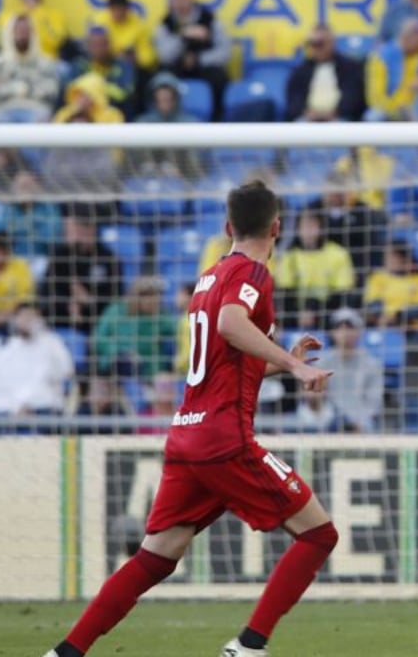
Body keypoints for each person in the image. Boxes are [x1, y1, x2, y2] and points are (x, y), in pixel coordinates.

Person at [42, 181, 335, 657]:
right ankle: (249, 647)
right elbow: (230, 325)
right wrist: (295, 365)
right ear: (277, 228)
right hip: (225, 437)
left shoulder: (209, 277)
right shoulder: (254, 272)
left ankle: (65, 652)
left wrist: (283, 361)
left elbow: (226, 359)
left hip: (187, 435)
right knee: (319, 534)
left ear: (227, 226)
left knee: (156, 557)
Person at [155, 0, 231, 121]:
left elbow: (224, 52)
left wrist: (199, 59)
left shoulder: (209, 19)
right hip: (177, 68)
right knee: (161, 79)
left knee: (219, 78)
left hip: (204, 67)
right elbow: (164, 55)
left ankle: (217, 122)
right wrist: (182, 36)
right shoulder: (166, 23)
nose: (180, 0)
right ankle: (164, 121)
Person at [0, 303, 72, 420]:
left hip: (44, 409)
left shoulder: (52, 343)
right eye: (23, 316)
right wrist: (16, 407)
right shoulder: (5, 350)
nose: (27, 321)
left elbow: (66, 371)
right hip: (11, 412)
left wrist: (45, 336)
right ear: (15, 320)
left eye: (31, 316)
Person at [365, 18, 418, 122]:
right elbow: (375, 96)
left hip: (417, 108)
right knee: (374, 115)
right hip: (390, 109)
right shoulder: (382, 56)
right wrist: (394, 112)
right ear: (406, 38)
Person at [0, 14, 60, 123]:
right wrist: (18, 89)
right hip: (3, 108)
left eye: (25, 30)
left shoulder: (45, 63)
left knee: (42, 120)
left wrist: (19, 89)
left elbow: (51, 91)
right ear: (10, 33)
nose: (22, 34)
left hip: (35, 108)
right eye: (18, 30)